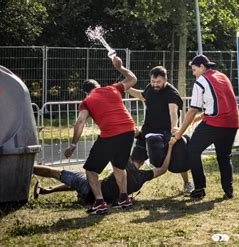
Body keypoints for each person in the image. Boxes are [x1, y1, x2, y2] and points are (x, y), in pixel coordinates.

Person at [64, 56, 137, 215]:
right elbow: (133, 79)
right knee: (119, 166)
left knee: (91, 170)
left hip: (111, 133)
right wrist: (120, 67)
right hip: (129, 130)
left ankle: (99, 202)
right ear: (98, 86)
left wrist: (73, 144)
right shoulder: (112, 88)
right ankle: (124, 199)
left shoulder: (87, 100)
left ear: (85, 91)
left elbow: (80, 121)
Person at [171, 54, 239, 199]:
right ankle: (228, 190)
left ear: (202, 67)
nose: (193, 73)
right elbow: (222, 102)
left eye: (194, 70)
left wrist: (179, 133)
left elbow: (192, 109)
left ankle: (199, 188)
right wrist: (202, 116)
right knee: (224, 156)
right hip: (232, 123)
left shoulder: (201, 81)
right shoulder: (222, 76)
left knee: (193, 150)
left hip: (215, 124)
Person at [33, 143, 175, 208]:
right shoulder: (142, 177)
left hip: (90, 189)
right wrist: (170, 147)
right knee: (81, 180)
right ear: (143, 162)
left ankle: (27, 168)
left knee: (55, 172)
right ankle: (48, 190)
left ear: (131, 156)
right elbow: (163, 169)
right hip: (92, 198)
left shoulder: (125, 162)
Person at [127, 66, 194, 193]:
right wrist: (126, 88)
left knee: (179, 159)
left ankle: (186, 183)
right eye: (153, 81)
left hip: (166, 133)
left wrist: (174, 126)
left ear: (165, 79)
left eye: (158, 82)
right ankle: (128, 187)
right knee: (135, 161)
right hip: (147, 132)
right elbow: (142, 96)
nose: (155, 84)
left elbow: (173, 112)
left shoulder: (171, 93)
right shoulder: (150, 88)